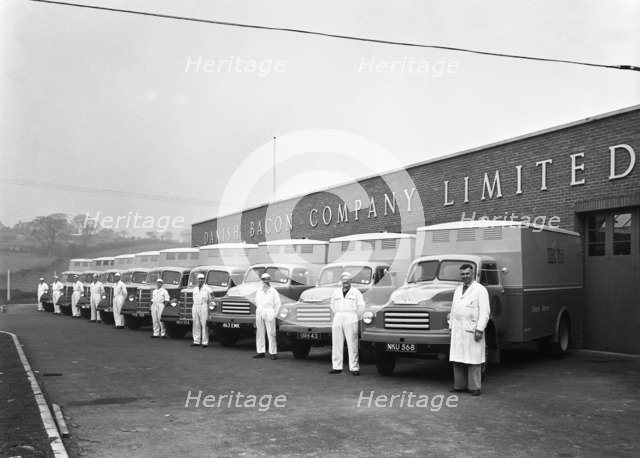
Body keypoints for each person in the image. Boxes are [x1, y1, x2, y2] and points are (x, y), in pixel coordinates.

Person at [448, 263, 491, 396]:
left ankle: (474, 387)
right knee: (458, 358)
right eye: (463, 274)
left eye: (467, 273)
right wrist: (451, 325)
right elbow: (453, 309)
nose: (465, 276)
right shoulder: (457, 290)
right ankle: (459, 386)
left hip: (472, 329)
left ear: (473, 274)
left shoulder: (480, 290)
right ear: (460, 275)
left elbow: (485, 312)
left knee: (474, 360)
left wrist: (479, 329)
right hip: (458, 329)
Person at [329, 272, 365, 376]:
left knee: (352, 342)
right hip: (338, 316)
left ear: (350, 280)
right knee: (336, 342)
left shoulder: (356, 292)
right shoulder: (336, 292)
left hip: (351, 316)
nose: (346, 282)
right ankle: (337, 367)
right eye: (344, 280)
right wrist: (339, 313)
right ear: (341, 281)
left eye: (348, 280)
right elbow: (332, 304)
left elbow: (361, 306)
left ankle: (354, 368)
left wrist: (354, 316)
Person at [253, 273, 281, 360]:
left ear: (269, 279)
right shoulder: (259, 291)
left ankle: (273, 352)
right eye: (263, 279)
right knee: (260, 333)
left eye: (267, 279)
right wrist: (256, 316)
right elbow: (257, 303)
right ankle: (261, 351)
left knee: (271, 333)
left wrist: (274, 315)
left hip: (269, 312)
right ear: (261, 280)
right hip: (260, 311)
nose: (265, 281)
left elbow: (278, 304)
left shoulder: (273, 291)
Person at [191, 273, 212, 348]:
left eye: (202, 279)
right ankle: (196, 341)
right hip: (195, 306)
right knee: (196, 324)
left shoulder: (208, 289)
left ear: (204, 279)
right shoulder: (195, 289)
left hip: (204, 307)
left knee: (204, 324)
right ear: (197, 279)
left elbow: (211, 300)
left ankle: (204, 342)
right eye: (199, 279)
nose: (200, 280)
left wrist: (209, 311)